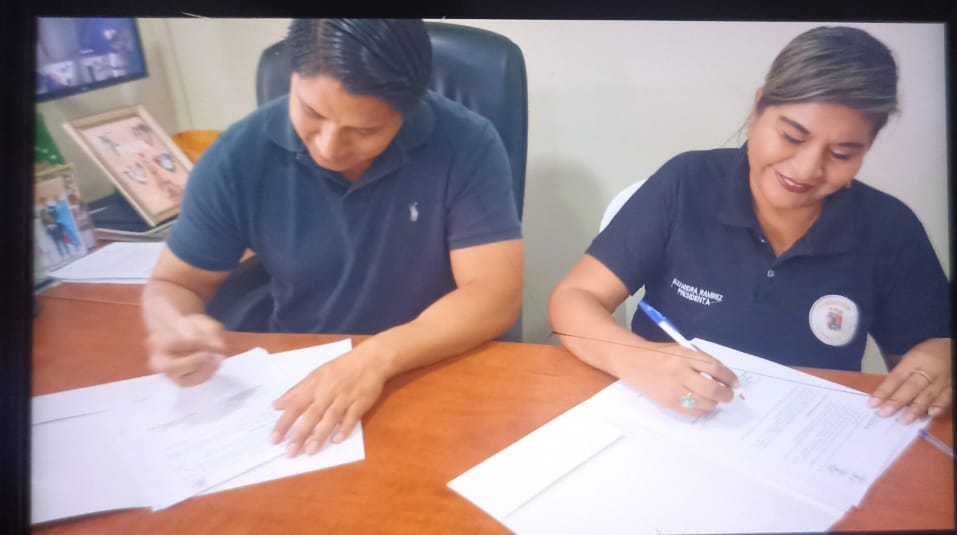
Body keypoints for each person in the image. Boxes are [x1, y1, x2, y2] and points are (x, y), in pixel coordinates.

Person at [143, 19, 523, 457]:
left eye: (364, 131)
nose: (328, 147)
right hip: (303, 372)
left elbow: (494, 294)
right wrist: (173, 325)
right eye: (311, 113)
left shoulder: (466, 142)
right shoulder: (238, 156)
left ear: (409, 107)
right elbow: (175, 284)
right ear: (292, 76)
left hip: (431, 364)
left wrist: (375, 359)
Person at [549, 26, 951, 425]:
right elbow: (575, 298)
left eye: (842, 154)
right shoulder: (686, 183)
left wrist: (941, 356)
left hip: (806, 437)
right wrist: (639, 359)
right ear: (757, 109)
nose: (806, 169)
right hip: (667, 418)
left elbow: (928, 353)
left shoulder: (889, 228)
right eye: (792, 137)